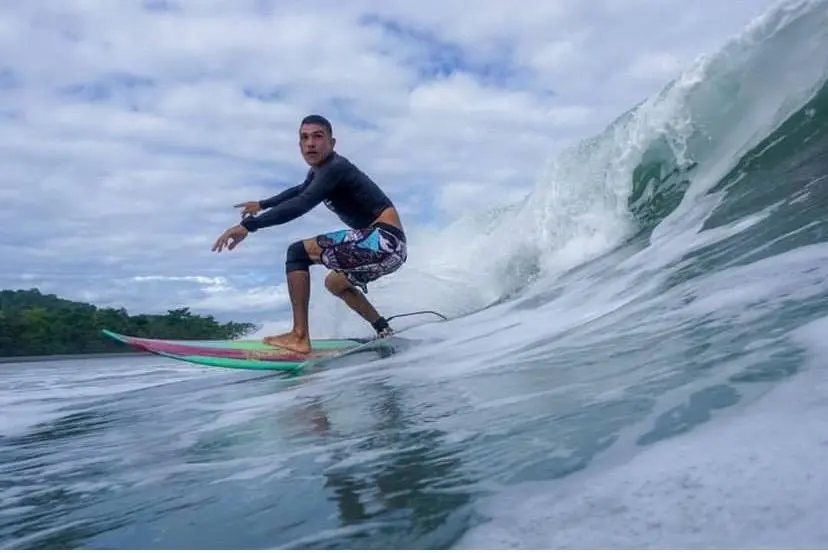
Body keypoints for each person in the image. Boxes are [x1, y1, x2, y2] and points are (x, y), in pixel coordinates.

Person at [211, 114, 407, 354]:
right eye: (304, 138)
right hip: (393, 251)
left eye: (317, 136)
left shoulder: (335, 168)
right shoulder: (320, 173)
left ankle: (299, 336)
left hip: (384, 240)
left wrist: (249, 226)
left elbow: (302, 202)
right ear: (299, 144)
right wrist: (262, 204)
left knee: (297, 253)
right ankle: (383, 329)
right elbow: (298, 191)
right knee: (335, 283)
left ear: (332, 143)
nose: (310, 143)